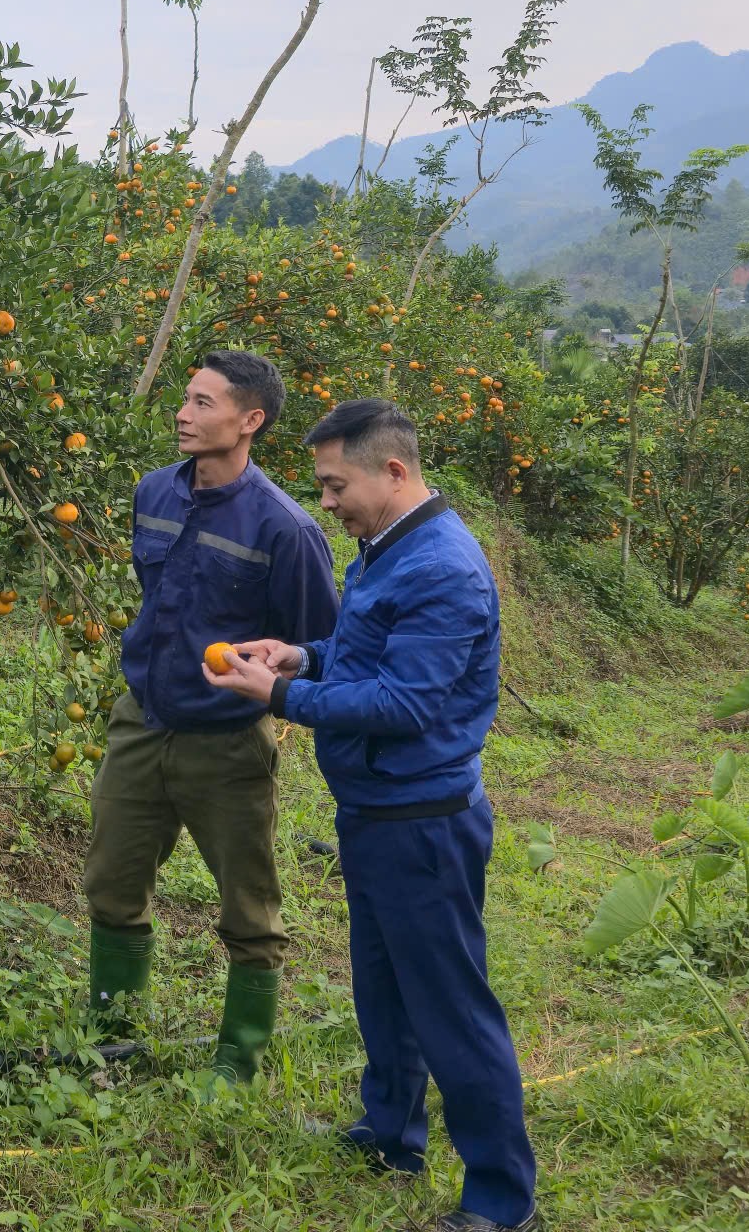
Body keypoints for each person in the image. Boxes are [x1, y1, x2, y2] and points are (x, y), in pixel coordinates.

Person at [204, 397, 537, 1232]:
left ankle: (502, 1200)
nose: (326, 503)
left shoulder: (442, 569)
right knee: (384, 992)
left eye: (334, 485)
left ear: (392, 471)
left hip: (423, 822)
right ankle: (390, 1135)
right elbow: (365, 656)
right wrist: (301, 656)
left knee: (451, 1008)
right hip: (376, 812)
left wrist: (278, 694)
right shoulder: (387, 547)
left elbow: (402, 704)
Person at [81, 350, 338, 1085]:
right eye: (185, 399)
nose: (183, 414)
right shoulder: (154, 492)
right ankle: (112, 1038)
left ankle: (237, 1064)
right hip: (141, 723)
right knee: (112, 885)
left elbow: (321, 644)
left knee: (249, 912)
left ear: (249, 420)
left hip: (226, 744)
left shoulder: (285, 528)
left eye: (202, 403)